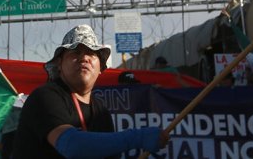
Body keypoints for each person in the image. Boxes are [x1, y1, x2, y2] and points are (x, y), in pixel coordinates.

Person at [13, 25, 166, 159]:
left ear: (101, 68)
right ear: (59, 64)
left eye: (91, 53)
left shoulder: (100, 110)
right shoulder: (46, 96)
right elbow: (70, 145)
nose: (84, 58)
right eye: (75, 53)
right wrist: (136, 138)